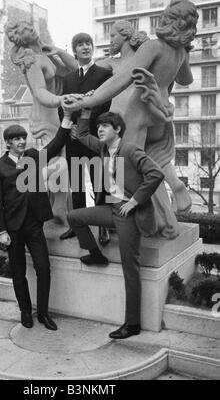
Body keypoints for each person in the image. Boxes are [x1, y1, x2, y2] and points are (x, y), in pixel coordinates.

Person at [63, 0, 199, 239]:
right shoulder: (179, 53)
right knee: (151, 164)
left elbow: (121, 80)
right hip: (158, 115)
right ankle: (168, 212)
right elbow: (186, 80)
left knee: (132, 173)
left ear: (168, 20)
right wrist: (186, 51)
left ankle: (152, 224)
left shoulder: (154, 47)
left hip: (134, 113)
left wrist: (86, 101)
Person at [67, 111, 164, 339]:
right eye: (99, 126)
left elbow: (156, 174)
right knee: (74, 217)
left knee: (130, 268)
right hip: (111, 208)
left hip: (128, 213)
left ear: (118, 129)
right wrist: (86, 112)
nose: (100, 129)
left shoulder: (130, 150)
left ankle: (132, 324)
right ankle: (96, 254)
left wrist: (134, 201)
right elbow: (81, 133)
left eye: (105, 126)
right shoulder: (102, 148)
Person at [0, 115, 72, 331]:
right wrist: (1, 231)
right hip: (12, 228)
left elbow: (54, 147)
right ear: (8, 143)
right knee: (18, 273)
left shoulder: (33, 156)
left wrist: (67, 121)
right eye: (16, 139)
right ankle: (25, 311)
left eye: (23, 138)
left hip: (34, 224)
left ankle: (43, 313)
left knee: (43, 268)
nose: (22, 142)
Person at [6, 20, 78, 226]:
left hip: (58, 113)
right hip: (47, 116)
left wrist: (58, 52)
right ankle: (50, 203)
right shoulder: (32, 61)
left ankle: (58, 205)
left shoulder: (45, 55)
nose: (32, 30)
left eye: (31, 27)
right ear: (22, 39)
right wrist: (61, 99)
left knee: (64, 161)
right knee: (60, 162)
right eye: (27, 30)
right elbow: (39, 92)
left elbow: (75, 70)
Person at [59, 33, 112, 245]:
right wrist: (69, 126)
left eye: (88, 44)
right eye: (80, 44)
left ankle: (103, 227)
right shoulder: (68, 78)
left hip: (93, 136)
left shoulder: (104, 74)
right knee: (77, 184)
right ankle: (76, 226)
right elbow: (62, 106)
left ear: (93, 48)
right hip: (72, 138)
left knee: (100, 182)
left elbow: (103, 104)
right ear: (75, 51)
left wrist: (84, 127)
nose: (85, 47)